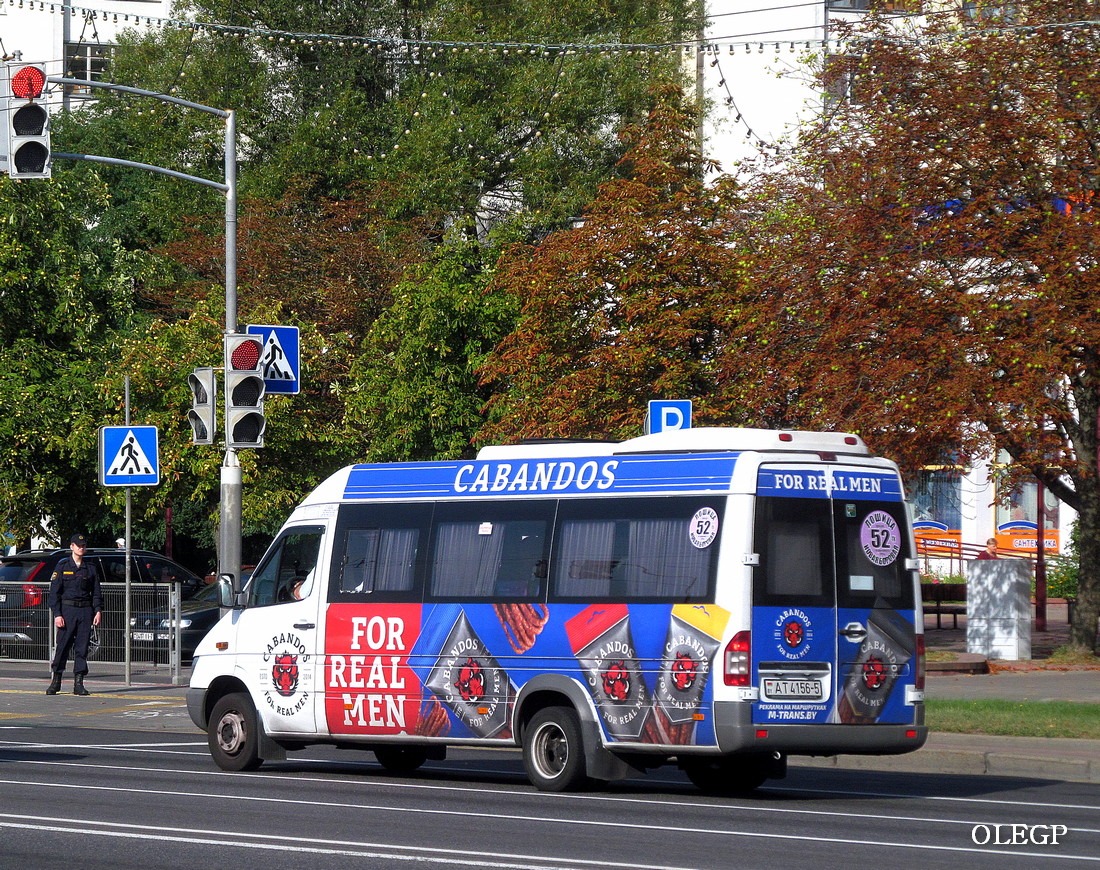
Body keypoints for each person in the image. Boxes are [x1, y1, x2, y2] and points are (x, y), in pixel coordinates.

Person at [46, 533, 104, 696]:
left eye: (83, 545)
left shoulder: (90, 568)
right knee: (63, 646)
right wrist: (57, 614)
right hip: (67, 611)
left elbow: (96, 593)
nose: (81, 548)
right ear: (71, 546)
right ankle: (56, 681)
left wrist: (97, 610)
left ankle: (79, 683)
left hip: (85, 611)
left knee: (82, 647)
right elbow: (54, 593)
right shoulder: (63, 566)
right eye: (78, 545)